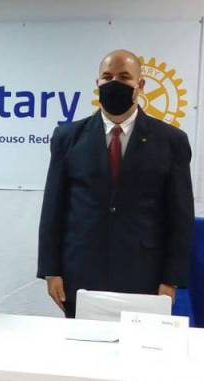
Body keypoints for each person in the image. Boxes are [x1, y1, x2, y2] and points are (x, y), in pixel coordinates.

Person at [37, 49, 194, 318]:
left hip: (144, 274)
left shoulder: (171, 141)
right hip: (81, 270)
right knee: (82, 344)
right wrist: (51, 270)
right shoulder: (68, 137)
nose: (114, 83)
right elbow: (53, 207)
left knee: (139, 345)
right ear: (97, 83)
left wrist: (172, 279)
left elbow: (180, 216)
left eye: (124, 77)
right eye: (107, 77)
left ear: (140, 85)